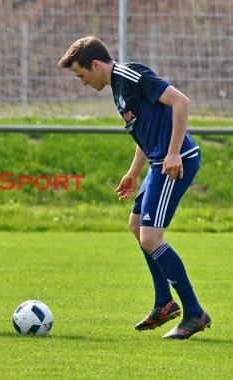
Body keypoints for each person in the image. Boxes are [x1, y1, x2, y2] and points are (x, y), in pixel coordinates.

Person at [58, 36, 210, 339]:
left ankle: (194, 313)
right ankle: (163, 302)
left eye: (81, 75)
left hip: (175, 163)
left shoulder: (131, 74)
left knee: (151, 237)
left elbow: (181, 102)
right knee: (136, 224)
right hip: (158, 162)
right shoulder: (118, 89)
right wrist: (132, 173)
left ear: (96, 65)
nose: (82, 83)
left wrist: (173, 151)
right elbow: (147, 132)